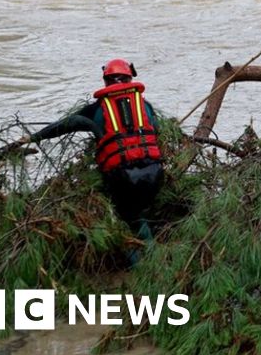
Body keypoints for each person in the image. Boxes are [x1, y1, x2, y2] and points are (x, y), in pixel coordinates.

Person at [12, 58, 164, 234]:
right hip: (154, 172)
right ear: (130, 78)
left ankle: (143, 255)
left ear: (106, 81)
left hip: (123, 177)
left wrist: (33, 137)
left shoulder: (98, 108)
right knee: (142, 214)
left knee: (128, 222)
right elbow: (155, 130)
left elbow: (71, 122)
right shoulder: (144, 105)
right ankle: (152, 241)